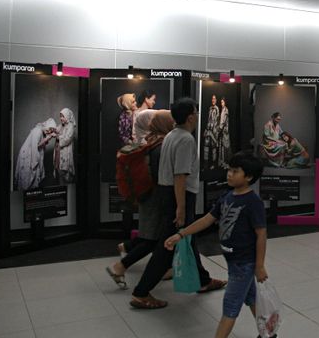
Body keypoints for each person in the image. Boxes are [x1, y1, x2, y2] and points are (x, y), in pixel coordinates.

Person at [130, 98, 226, 309]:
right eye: (196, 112)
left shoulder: (171, 135)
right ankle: (141, 292)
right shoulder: (185, 139)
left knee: (188, 238)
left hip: (169, 194)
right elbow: (180, 176)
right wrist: (181, 208)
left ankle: (203, 280)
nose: (198, 115)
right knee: (169, 244)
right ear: (191, 116)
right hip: (179, 196)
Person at [164, 152, 268, 338]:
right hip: (232, 259)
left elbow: (261, 234)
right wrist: (181, 234)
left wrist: (259, 266)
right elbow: (207, 220)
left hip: (244, 263)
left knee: (230, 306)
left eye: (235, 171)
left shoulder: (253, 202)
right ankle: (268, 333)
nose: (229, 174)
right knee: (250, 297)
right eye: (229, 169)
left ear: (249, 177)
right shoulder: (226, 196)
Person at [107, 110, 175, 289]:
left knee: (154, 237)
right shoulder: (161, 146)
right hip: (156, 199)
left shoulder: (150, 141)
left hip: (147, 196)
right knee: (152, 239)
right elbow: (163, 176)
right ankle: (120, 267)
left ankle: (165, 267)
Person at [14, 118, 57, 190]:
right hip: (29, 156)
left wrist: (48, 138)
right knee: (28, 180)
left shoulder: (41, 132)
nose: (49, 131)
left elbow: (40, 145)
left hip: (31, 154)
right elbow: (35, 146)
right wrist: (48, 138)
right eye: (49, 129)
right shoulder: (37, 131)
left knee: (32, 181)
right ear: (46, 125)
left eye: (51, 130)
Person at [53, 108, 76, 185]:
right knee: (59, 171)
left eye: (63, 116)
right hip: (58, 152)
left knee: (65, 174)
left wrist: (57, 136)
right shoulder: (61, 125)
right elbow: (56, 130)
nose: (61, 118)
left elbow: (67, 139)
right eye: (60, 116)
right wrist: (51, 130)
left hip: (65, 153)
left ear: (67, 116)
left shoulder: (71, 126)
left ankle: (66, 191)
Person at [204, 95, 220, 170]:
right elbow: (208, 120)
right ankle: (205, 165)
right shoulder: (210, 108)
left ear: (216, 100)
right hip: (208, 129)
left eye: (214, 99)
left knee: (214, 148)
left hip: (213, 130)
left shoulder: (216, 109)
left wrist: (215, 132)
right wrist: (206, 129)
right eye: (212, 99)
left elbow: (216, 120)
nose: (213, 100)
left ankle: (214, 164)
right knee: (206, 148)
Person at [218, 97, 231, 169]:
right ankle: (222, 162)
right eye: (221, 102)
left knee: (226, 147)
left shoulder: (225, 110)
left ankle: (226, 163)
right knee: (222, 147)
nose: (221, 103)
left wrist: (219, 129)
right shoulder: (223, 110)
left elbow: (222, 122)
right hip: (223, 132)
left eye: (222, 102)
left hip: (225, 131)